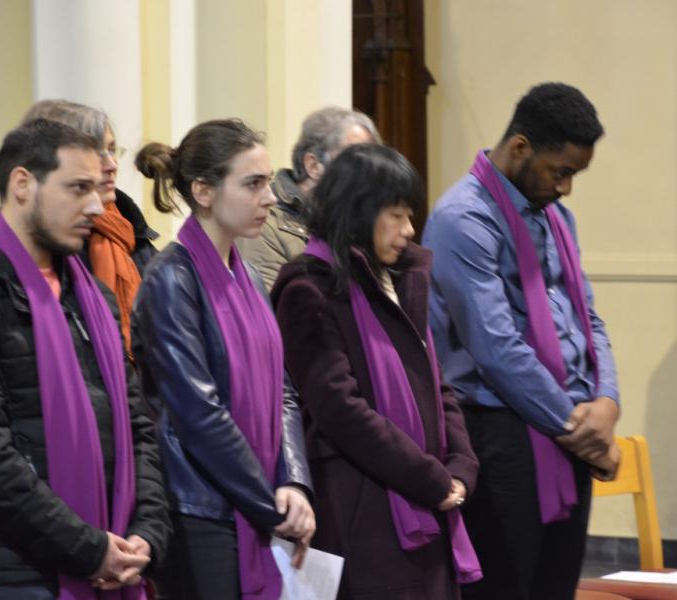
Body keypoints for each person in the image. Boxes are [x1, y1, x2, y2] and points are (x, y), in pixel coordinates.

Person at [0, 119, 170, 599]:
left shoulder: (89, 293)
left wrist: (147, 532)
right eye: (77, 188)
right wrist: (87, 550)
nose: (96, 205)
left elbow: (138, 427)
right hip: (14, 573)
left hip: (118, 558)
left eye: (97, 187)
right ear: (23, 184)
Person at [422, 82, 620, 600]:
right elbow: (496, 349)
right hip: (502, 432)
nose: (567, 187)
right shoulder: (463, 219)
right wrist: (579, 428)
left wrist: (606, 402)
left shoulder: (556, 218)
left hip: (565, 426)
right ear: (520, 149)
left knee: (556, 586)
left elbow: (587, 318)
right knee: (509, 587)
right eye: (562, 172)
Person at [272, 143, 481, 599]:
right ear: (358, 211)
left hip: (425, 496)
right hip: (364, 506)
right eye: (397, 215)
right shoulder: (309, 287)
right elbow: (339, 409)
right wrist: (429, 478)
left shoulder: (401, 278)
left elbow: (434, 380)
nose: (409, 230)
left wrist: (462, 464)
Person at [133, 119, 315, 600]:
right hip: (202, 508)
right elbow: (198, 412)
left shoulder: (250, 276)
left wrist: (294, 483)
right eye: (253, 184)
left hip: (258, 496)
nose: (271, 198)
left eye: (268, 184)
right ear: (204, 192)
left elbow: (284, 390)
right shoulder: (171, 279)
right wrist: (269, 502)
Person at [22, 99, 159, 356]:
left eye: (112, 150)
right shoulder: (42, 249)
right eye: (95, 153)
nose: (111, 165)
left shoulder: (133, 235)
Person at [237, 106, 380, 290]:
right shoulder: (263, 224)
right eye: (354, 160)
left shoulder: (361, 220)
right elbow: (272, 311)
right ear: (313, 166)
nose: (368, 174)